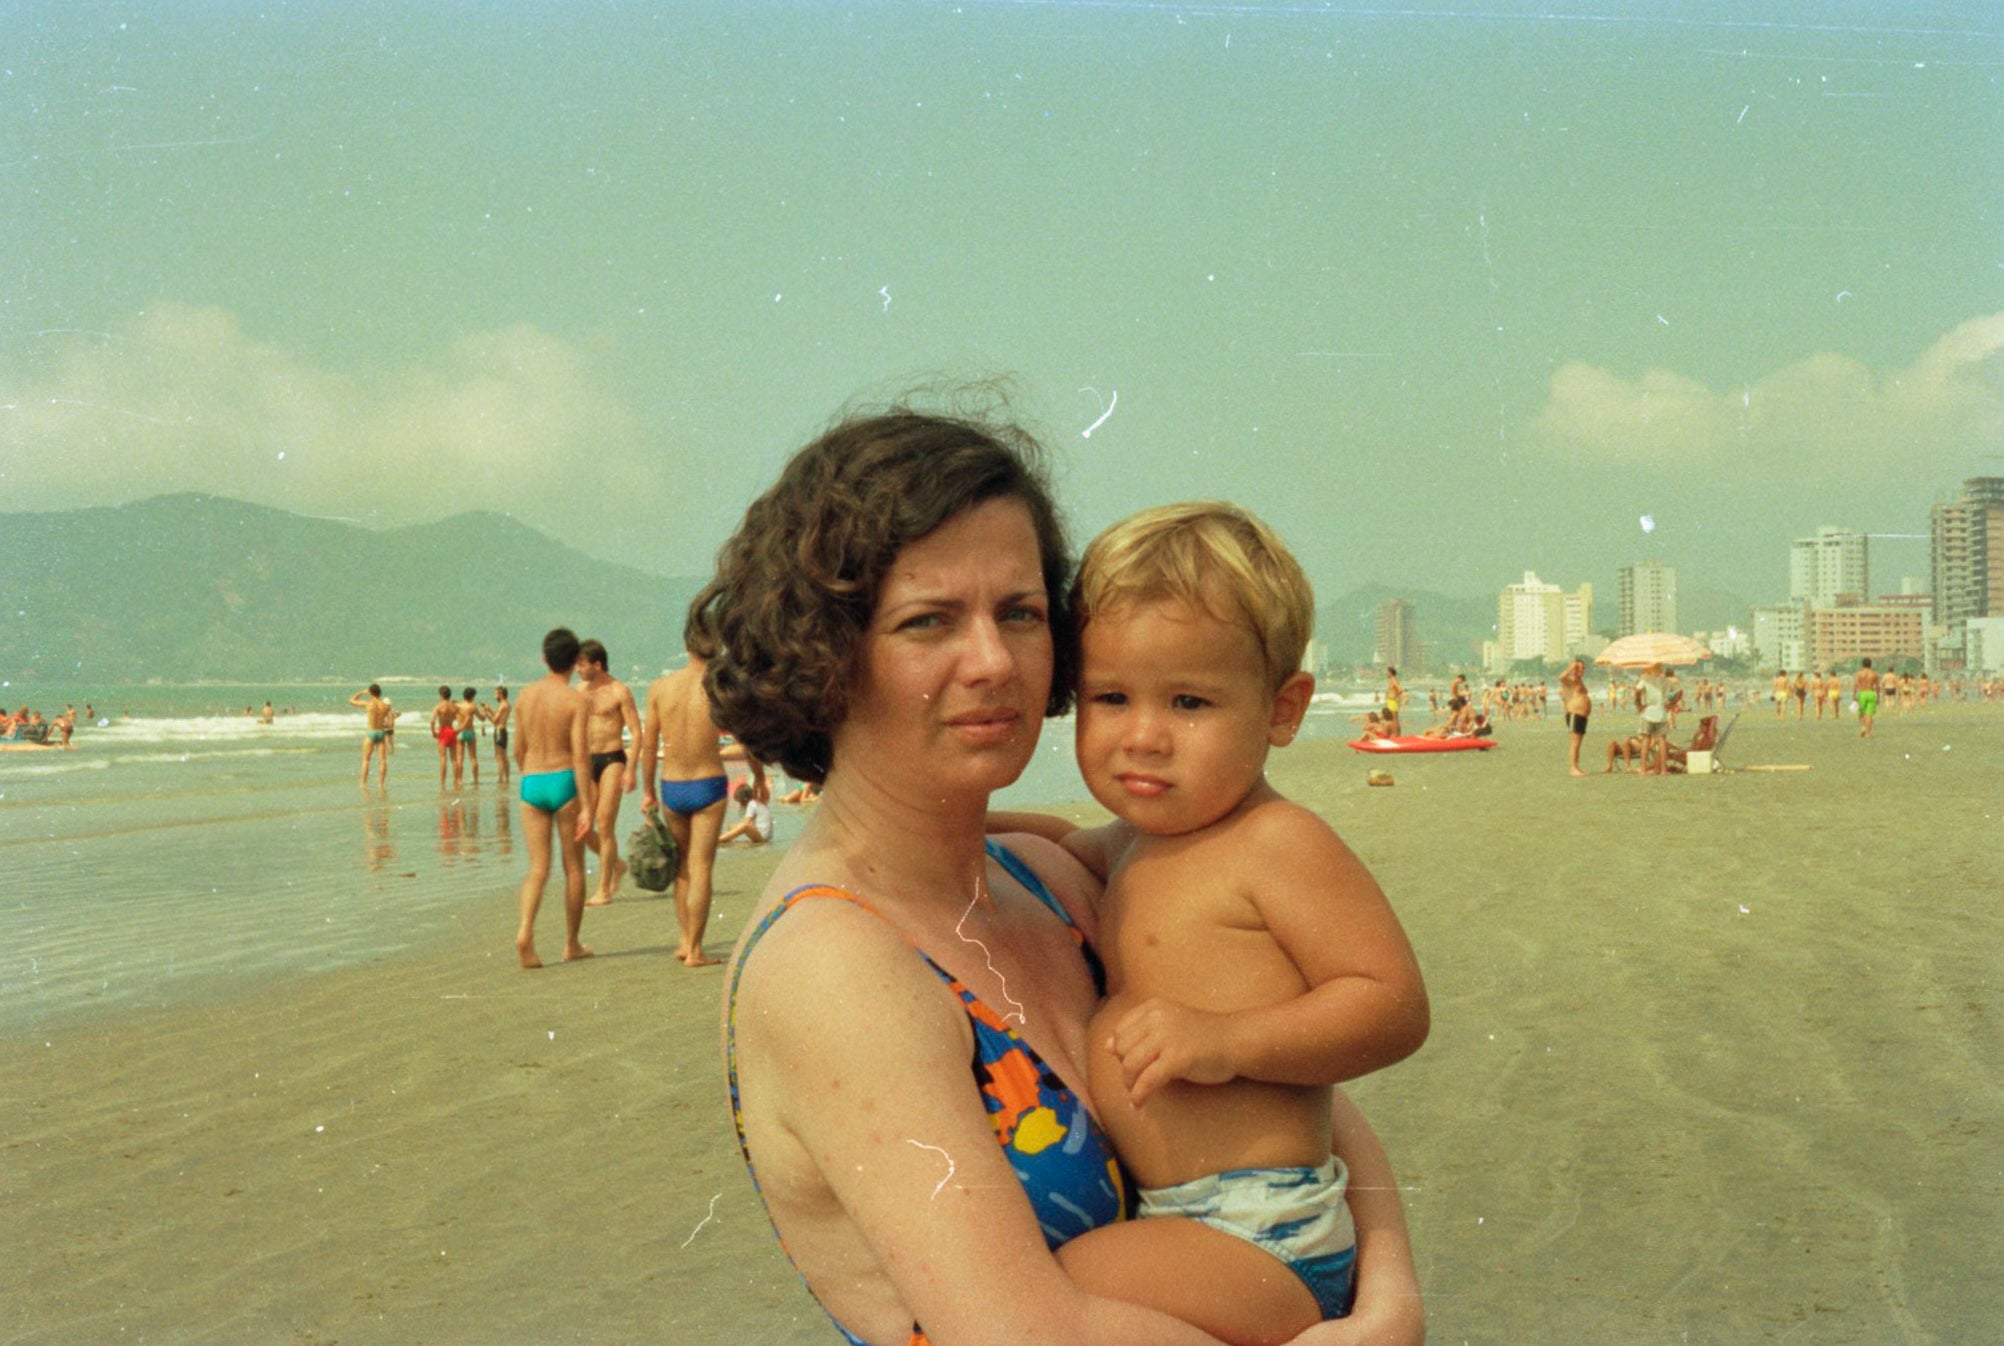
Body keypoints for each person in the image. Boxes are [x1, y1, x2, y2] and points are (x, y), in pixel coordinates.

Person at [702, 407, 1421, 1346]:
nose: (995, 661)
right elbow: (1027, 1333)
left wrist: (1389, 1294)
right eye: (928, 621)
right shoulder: (835, 966)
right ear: (822, 652)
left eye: (1021, 613)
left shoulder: (1055, 876)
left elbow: (1295, 1092)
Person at [1041, 502, 1429, 1341]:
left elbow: (1393, 1004)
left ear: (1283, 710)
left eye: (1189, 702)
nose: (1144, 736)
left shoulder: (1276, 843)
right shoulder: (1135, 842)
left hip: (1264, 1229)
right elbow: (1054, 843)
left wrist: (1230, 1040)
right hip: (1189, 1221)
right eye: (1111, 697)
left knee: (1051, 1287)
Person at [639, 650, 742, 966]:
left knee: (681, 866)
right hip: (708, 782)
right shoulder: (719, 685)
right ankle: (696, 950)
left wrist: (647, 790)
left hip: (672, 785)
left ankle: (685, 941)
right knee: (701, 867)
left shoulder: (659, 688)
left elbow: (648, 745)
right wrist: (760, 775)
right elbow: (745, 736)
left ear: (687, 648)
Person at [512, 627, 595, 968]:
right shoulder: (576, 700)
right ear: (576, 661)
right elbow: (580, 756)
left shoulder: (525, 696)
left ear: (544, 658)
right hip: (564, 782)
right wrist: (587, 805)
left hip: (532, 782)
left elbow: (518, 749)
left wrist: (530, 775)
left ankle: (525, 932)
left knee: (537, 869)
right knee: (573, 868)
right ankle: (571, 944)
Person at [577, 639, 641, 906]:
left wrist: (631, 769)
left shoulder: (619, 691)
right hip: (586, 761)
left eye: (581, 664)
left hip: (612, 758)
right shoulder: (579, 691)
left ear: (597, 665)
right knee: (582, 828)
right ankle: (617, 864)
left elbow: (636, 732)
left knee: (604, 823)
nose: (577, 669)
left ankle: (603, 890)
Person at [348, 683, 392, 786]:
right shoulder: (386, 706)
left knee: (366, 760)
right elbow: (390, 723)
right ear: (380, 693)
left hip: (370, 732)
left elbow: (351, 701)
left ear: (370, 693)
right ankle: (381, 784)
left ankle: (363, 783)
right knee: (382, 760)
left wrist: (362, 692)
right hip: (381, 733)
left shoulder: (368, 703)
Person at [1558, 655, 1591, 777]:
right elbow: (1561, 677)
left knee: (1578, 743)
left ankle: (1576, 766)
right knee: (1574, 742)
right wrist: (1571, 668)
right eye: (1578, 668)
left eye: (1582, 668)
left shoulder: (1579, 681)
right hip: (1574, 714)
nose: (1580, 671)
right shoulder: (1570, 681)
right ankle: (1572, 768)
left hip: (1581, 716)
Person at [1635, 662, 1670, 775]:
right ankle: (1663, 769)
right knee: (1662, 740)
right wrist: (1671, 704)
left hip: (1648, 712)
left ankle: (1643, 769)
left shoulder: (1645, 678)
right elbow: (1678, 692)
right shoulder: (1666, 680)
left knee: (1646, 740)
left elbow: (1637, 691)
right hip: (1661, 712)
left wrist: (1639, 704)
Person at [718, 778, 774, 846]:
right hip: (764, 836)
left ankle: (720, 839)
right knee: (732, 826)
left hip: (762, 837)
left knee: (743, 826)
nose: (740, 805)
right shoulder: (758, 803)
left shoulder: (751, 804)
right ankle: (726, 838)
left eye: (740, 802)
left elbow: (746, 824)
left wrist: (737, 828)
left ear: (745, 800)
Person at [430, 686, 459, 789]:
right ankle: (456, 781)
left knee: (443, 759)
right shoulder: (454, 707)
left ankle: (443, 783)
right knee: (454, 759)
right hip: (451, 730)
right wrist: (458, 730)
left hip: (442, 731)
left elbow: (432, 721)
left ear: (441, 695)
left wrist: (433, 732)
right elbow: (458, 718)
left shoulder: (438, 706)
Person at [456, 688, 483, 787]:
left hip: (460, 731)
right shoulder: (472, 706)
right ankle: (476, 780)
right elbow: (482, 718)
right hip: (470, 731)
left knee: (460, 758)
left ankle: (459, 780)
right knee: (473, 757)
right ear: (472, 696)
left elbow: (453, 716)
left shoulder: (457, 706)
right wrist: (485, 711)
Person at [489, 685, 512, 785]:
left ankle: (500, 779)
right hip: (503, 731)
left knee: (499, 757)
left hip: (499, 731)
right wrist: (489, 709)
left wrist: (487, 715)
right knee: (504, 756)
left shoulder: (502, 705)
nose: (495, 696)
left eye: (496, 694)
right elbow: (498, 716)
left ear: (500, 694)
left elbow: (495, 721)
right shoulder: (507, 704)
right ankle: (506, 779)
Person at [1856, 657, 1880, 738]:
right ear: (1870, 664)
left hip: (1862, 693)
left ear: (1862, 664)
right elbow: (1877, 687)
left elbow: (1855, 685)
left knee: (1861, 713)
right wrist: (1878, 697)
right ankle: (1868, 733)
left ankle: (1863, 727)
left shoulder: (1859, 674)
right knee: (1869, 715)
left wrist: (1854, 695)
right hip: (1871, 693)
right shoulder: (1874, 674)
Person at [1380, 666, 1404, 737]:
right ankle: (1395, 733)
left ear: (1390, 672)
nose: (1386, 674)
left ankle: (1397, 734)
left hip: (1393, 702)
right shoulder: (1391, 680)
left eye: (1387, 672)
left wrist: (1395, 697)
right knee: (1393, 719)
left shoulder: (1393, 679)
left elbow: (1400, 689)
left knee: (1394, 719)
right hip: (1390, 702)